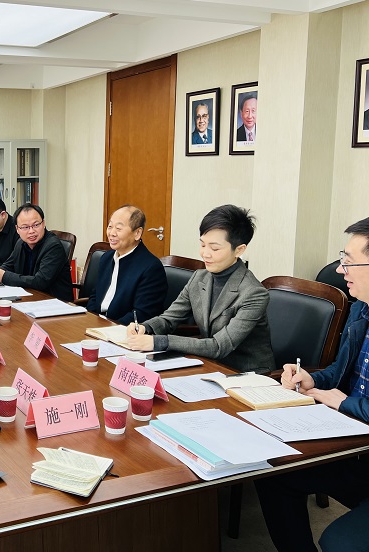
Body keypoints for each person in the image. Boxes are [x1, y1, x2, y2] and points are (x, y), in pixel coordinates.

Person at [255, 217, 369, 552]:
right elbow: (340, 371)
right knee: (275, 474)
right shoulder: (360, 310)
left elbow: (342, 396)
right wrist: (312, 378)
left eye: (349, 261)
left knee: (339, 542)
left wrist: (342, 402)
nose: (340, 269)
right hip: (354, 447)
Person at [125, 204, 273, 374]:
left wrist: (159, 342)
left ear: (239, 250)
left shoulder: (254, 293)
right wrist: (145, 327)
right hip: (209, 365)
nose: (205, 254)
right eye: (203, 245)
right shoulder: (199, 278)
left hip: (245, 375)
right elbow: (169, 318)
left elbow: (219, 346)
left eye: (215, 248)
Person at [86, 205, 167, 324]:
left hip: (123, 329)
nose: (111, 233)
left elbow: (142, 314)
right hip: (97, 324)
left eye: (118, 228)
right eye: (110, 226)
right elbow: (95, 296)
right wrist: (91, 319)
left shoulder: (151, 267)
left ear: (137, 233)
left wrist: (110, 329)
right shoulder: (106, 258)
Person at [0, 203, 73, 301]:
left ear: (43, 224)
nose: (31, 231)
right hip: (31, 297)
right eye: (25, 227)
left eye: (36, 225)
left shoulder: (53, 246)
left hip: (56, 302)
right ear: (17, 229)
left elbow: (40, 282)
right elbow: (8, 266)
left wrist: (4, 276)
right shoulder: (21, 243)